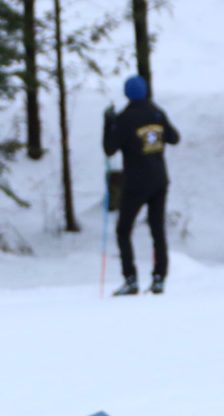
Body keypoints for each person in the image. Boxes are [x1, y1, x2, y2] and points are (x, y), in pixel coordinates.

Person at [103, 75, 180, 295]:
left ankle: (131, 279)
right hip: (159, 179)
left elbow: (109, 149)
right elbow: (174, 138)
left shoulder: (124, 118)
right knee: (157, 230)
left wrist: (108, 123)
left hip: (136, 182)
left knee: (123, 229)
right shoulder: (156, 113)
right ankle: (159, 278)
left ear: (127, 93)